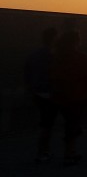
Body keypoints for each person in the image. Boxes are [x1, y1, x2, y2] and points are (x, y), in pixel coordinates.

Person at [50, 30, 87, 166]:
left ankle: (69, 150)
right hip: (77, 97)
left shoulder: (56, 58)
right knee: (73, 125)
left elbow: (52, 76)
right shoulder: (81, 58)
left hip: (60, 97)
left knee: (71, 124)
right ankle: (69, 153)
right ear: (76, 42)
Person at [25, 27, 58, 162]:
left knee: (46, 123)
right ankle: (42, 152)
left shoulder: (34, 54)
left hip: (37, 92)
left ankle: (44, 150)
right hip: (49, 93)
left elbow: (27, 72)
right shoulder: (52, 55)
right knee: (47, 124)